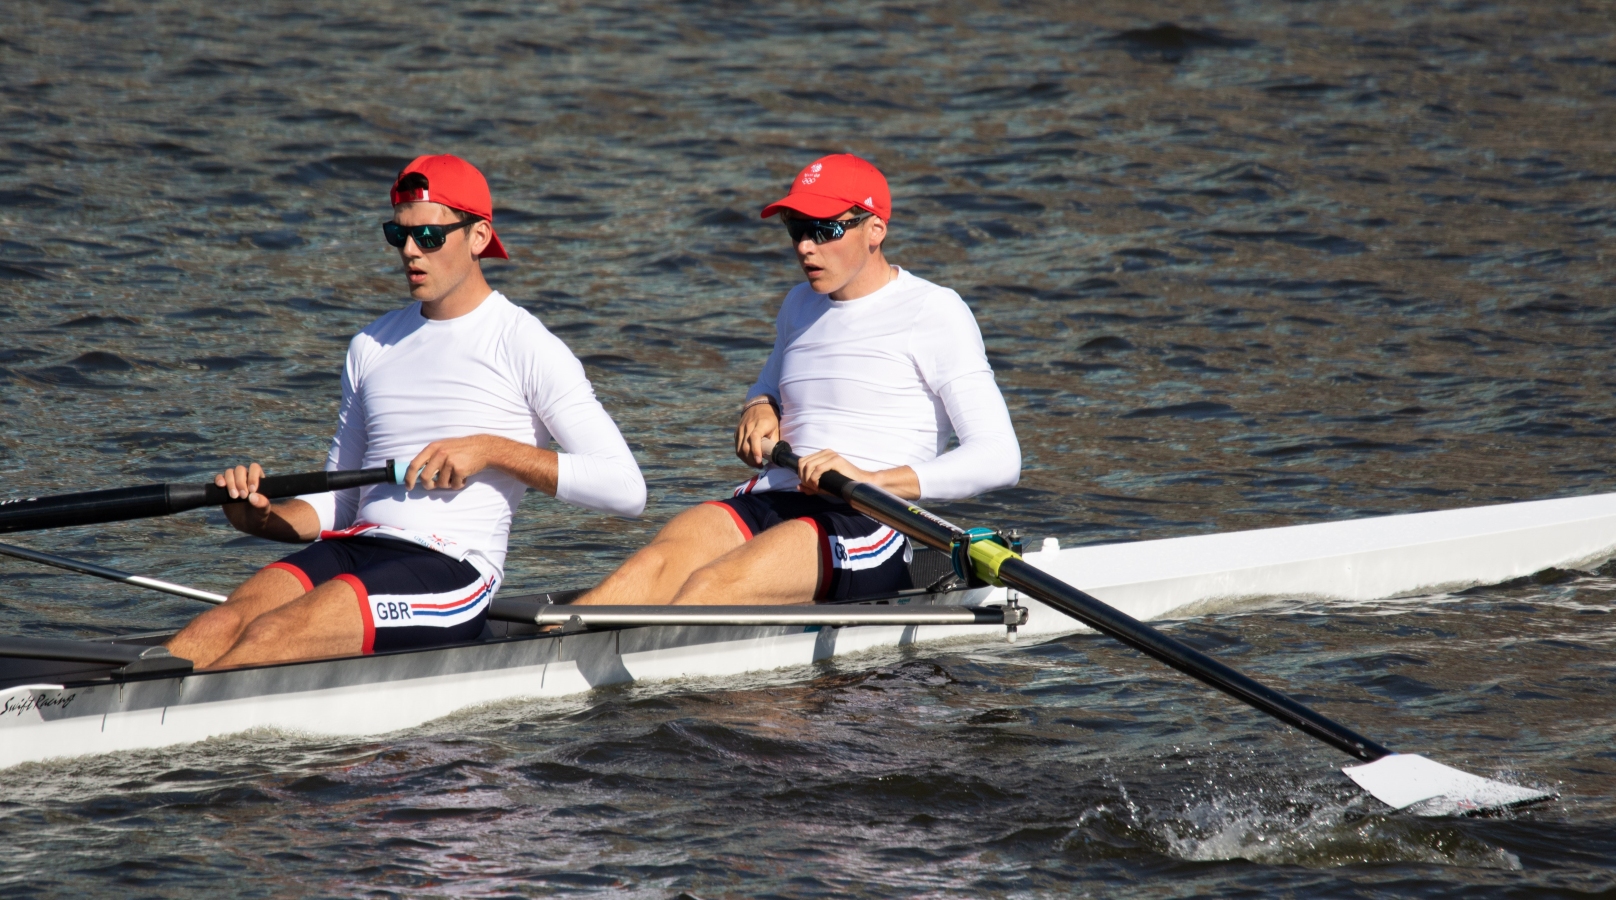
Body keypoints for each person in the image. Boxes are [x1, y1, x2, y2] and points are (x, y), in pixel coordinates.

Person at [168, 154, 645, 668]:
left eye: (430, 237)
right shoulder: (370, 345)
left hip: (449, 568)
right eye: (399, 236)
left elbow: (625, 488)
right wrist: (261, 519)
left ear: (479, 236)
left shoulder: (524, 342)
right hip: (358, 547)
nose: (411, 252)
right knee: (214, 629)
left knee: (270, 637)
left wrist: (490, 450)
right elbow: (340, 504)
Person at [577, 153, 1018, 607]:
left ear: (875, 229)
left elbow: (999, 457)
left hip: (867, 518)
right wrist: (758, 405)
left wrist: (870, 479)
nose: (806, 246)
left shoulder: (935, 311)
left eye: (824, 230)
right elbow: (769, 385)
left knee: (709, 589)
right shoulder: (799, 305)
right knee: (642, 575)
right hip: (776, 497)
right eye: (796, 228)